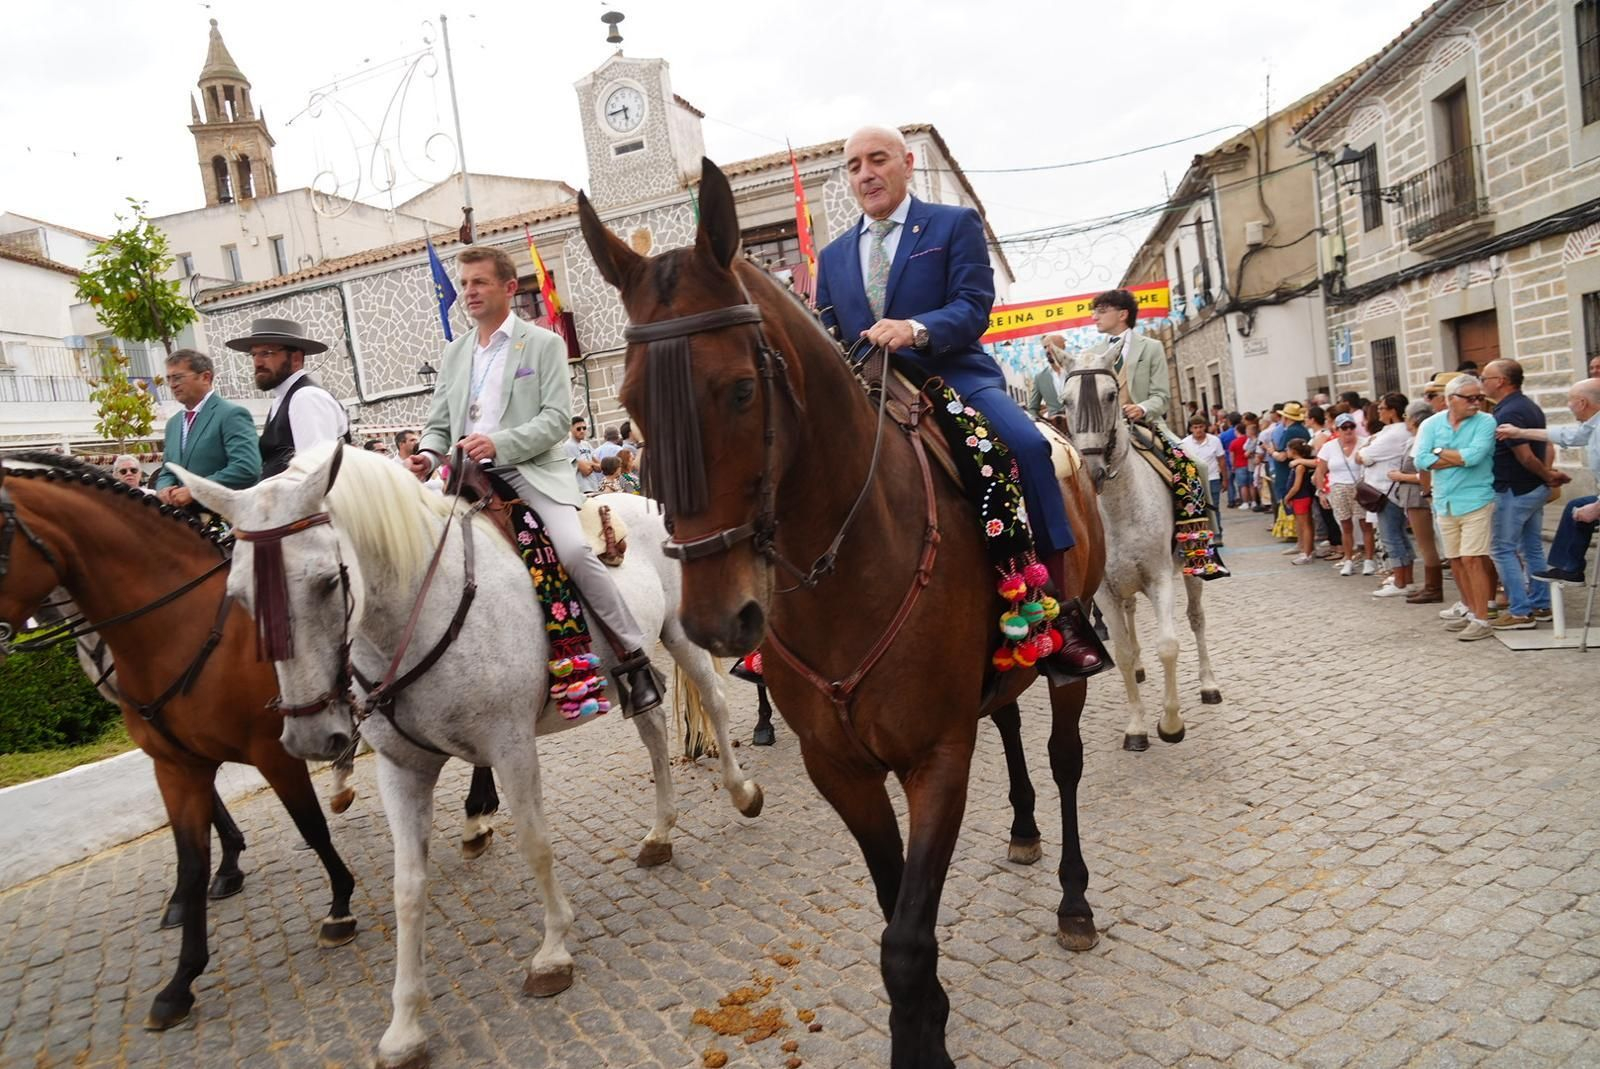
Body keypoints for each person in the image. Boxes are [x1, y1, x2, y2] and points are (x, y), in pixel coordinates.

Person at [814, 123, 1106, 675]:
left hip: (951, 374)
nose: (866, 173)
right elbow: (830, 330)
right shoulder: (830, 258)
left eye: (877, 160)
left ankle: (1062, 613)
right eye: (854, 166)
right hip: (867, 387)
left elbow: (974, 305)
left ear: (906, 163)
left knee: (1025, 445)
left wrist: (915, 329)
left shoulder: (952, 224)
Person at [407, 245, 663, 713]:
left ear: (508, 288)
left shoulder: (543, 344)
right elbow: (439, 423)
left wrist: (499, 443)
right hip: (464, 474)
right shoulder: (454, 354)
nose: (469, 292)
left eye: (479, 282)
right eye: (464, 284)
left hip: (531, 472)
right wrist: (426, 454)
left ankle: (634, 659)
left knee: (572, 550)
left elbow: (554, 421)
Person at [1480, 359, 1562, 629]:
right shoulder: (1526, 405)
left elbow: (1525, 456)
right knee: (1532, 548)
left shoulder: (1509, 412)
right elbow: (1544, 446)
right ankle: (1541, 605)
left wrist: (1546, 475)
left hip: (1515, 489)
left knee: (1502, 549)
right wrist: (1546, 477)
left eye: (1485, 378)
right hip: (1530, 488)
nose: (1482, 384)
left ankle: (1520, 611)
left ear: (1501, 381)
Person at [1416, 375, 1498, 641]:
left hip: (1476, 498)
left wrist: (1439, 452)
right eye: (1470, 398)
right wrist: (1454, 455)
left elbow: (1474, 458)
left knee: (1473, 558)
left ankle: (1483, 619)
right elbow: (1421, 459)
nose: (1476, 403)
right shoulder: (1431, 423)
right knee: (1455, 560)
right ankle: (1471, 611)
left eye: (1480, 398)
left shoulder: (1486, 421)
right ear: (1451, 400)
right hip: (1444, 500)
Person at [1498, 377, 1600, 585]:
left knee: (1582, 508)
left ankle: (1570, 569)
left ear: (1582, 403)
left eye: (1570, 400)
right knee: (1575, 506)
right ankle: (1569, 569)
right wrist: (1520, 432)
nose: (1568, 405)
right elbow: (1567, 435)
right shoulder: (1593, 425)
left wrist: (1597, 507)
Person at [230, 317, 350, 480]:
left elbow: (316, 473)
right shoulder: (282, 399)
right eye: (253, 354)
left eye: (266, 353)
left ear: (296, 359)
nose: (257, 362)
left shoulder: (306, 397)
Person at [151, 349, 261, 506]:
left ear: (205, 377)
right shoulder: (173, 424)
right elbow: (168, 470)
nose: (172, 385)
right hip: (181, 521)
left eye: (178, 377)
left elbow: (246, 468)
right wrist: (164, 489)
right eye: (168, 379)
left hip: (224, 519)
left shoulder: (231, 414)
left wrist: (196, 490)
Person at [1357, 392, 1416, 597]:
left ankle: (1401, 581)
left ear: (1392, 411)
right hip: (1387, 489)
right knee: (1398, 535)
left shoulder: (1393, 434)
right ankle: (1405, 579)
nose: (1379, 412)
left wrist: (1367, 454)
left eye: (1382, 408)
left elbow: (1362, 455)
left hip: (1385, 491)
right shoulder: (1391, 431)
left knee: (1391, 537)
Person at [1388, 400, 1445, 603]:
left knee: (1426, 544)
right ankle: (1431, 586)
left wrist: (1400, 476)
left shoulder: (1421, 440)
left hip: (1418, 495)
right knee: (1427, 543)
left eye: (1406, 416)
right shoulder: (1419, 438)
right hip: (1416, 495)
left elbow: (1426, 473)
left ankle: (1434, 587)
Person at [1316, 413, 1376, 575]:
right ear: (1337, 429)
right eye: (1344, 427)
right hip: (1338, 487)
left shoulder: (1365, 443)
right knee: (1345, 525)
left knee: (1366, 524)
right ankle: (1348, 559)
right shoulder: (1329, 447)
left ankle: (1369, 560)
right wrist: (1321, 492)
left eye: (1351, 426)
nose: (1348, 430)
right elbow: (1320, 471)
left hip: (1360, 487)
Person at [1178, 415, 1226, 542]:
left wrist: (1225, 479)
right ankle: (1201, 535)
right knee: (1197, 508)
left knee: (1214, 506)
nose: (1198, 430)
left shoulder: (1214, 441)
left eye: (1201, 427)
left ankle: (1217, 534)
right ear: (1191, 429)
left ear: (1205, 427)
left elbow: (1221, 460)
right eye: (1195, 427)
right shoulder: (1184, 443)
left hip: (1213, 477)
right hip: (1195, 480)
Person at [1283, 439, 1318, 563]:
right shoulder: (1297, 465)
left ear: (1293, 451)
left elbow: (1296, 486)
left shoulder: (1300, 466)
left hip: (1301, 497)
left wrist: (1288, 496)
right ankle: (1307, 549)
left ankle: (1306, 553)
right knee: (1303, 524)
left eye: (1287, 449)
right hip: (1300, 497)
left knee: (1305, 525)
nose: (1286, 452)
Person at [1027, 335, 1070, 419]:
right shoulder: (1040, 378)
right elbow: (1032, 409)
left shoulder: (1076, 372)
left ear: (1062, 347)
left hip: (1079, 426)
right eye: (1045, 347)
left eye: (1051, 346)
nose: (1047, 350)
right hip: (1054, 427)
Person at [564, 416, 603, 494]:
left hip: (594, 486)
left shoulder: (586, 444)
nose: (582, 431)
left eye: (584, 428)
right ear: (571, 429)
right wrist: (592, 464)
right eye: (578, 429)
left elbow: (600, 467)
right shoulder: (568, 446)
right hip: (582, 489)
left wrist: (588, 464)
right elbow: (585, 471)